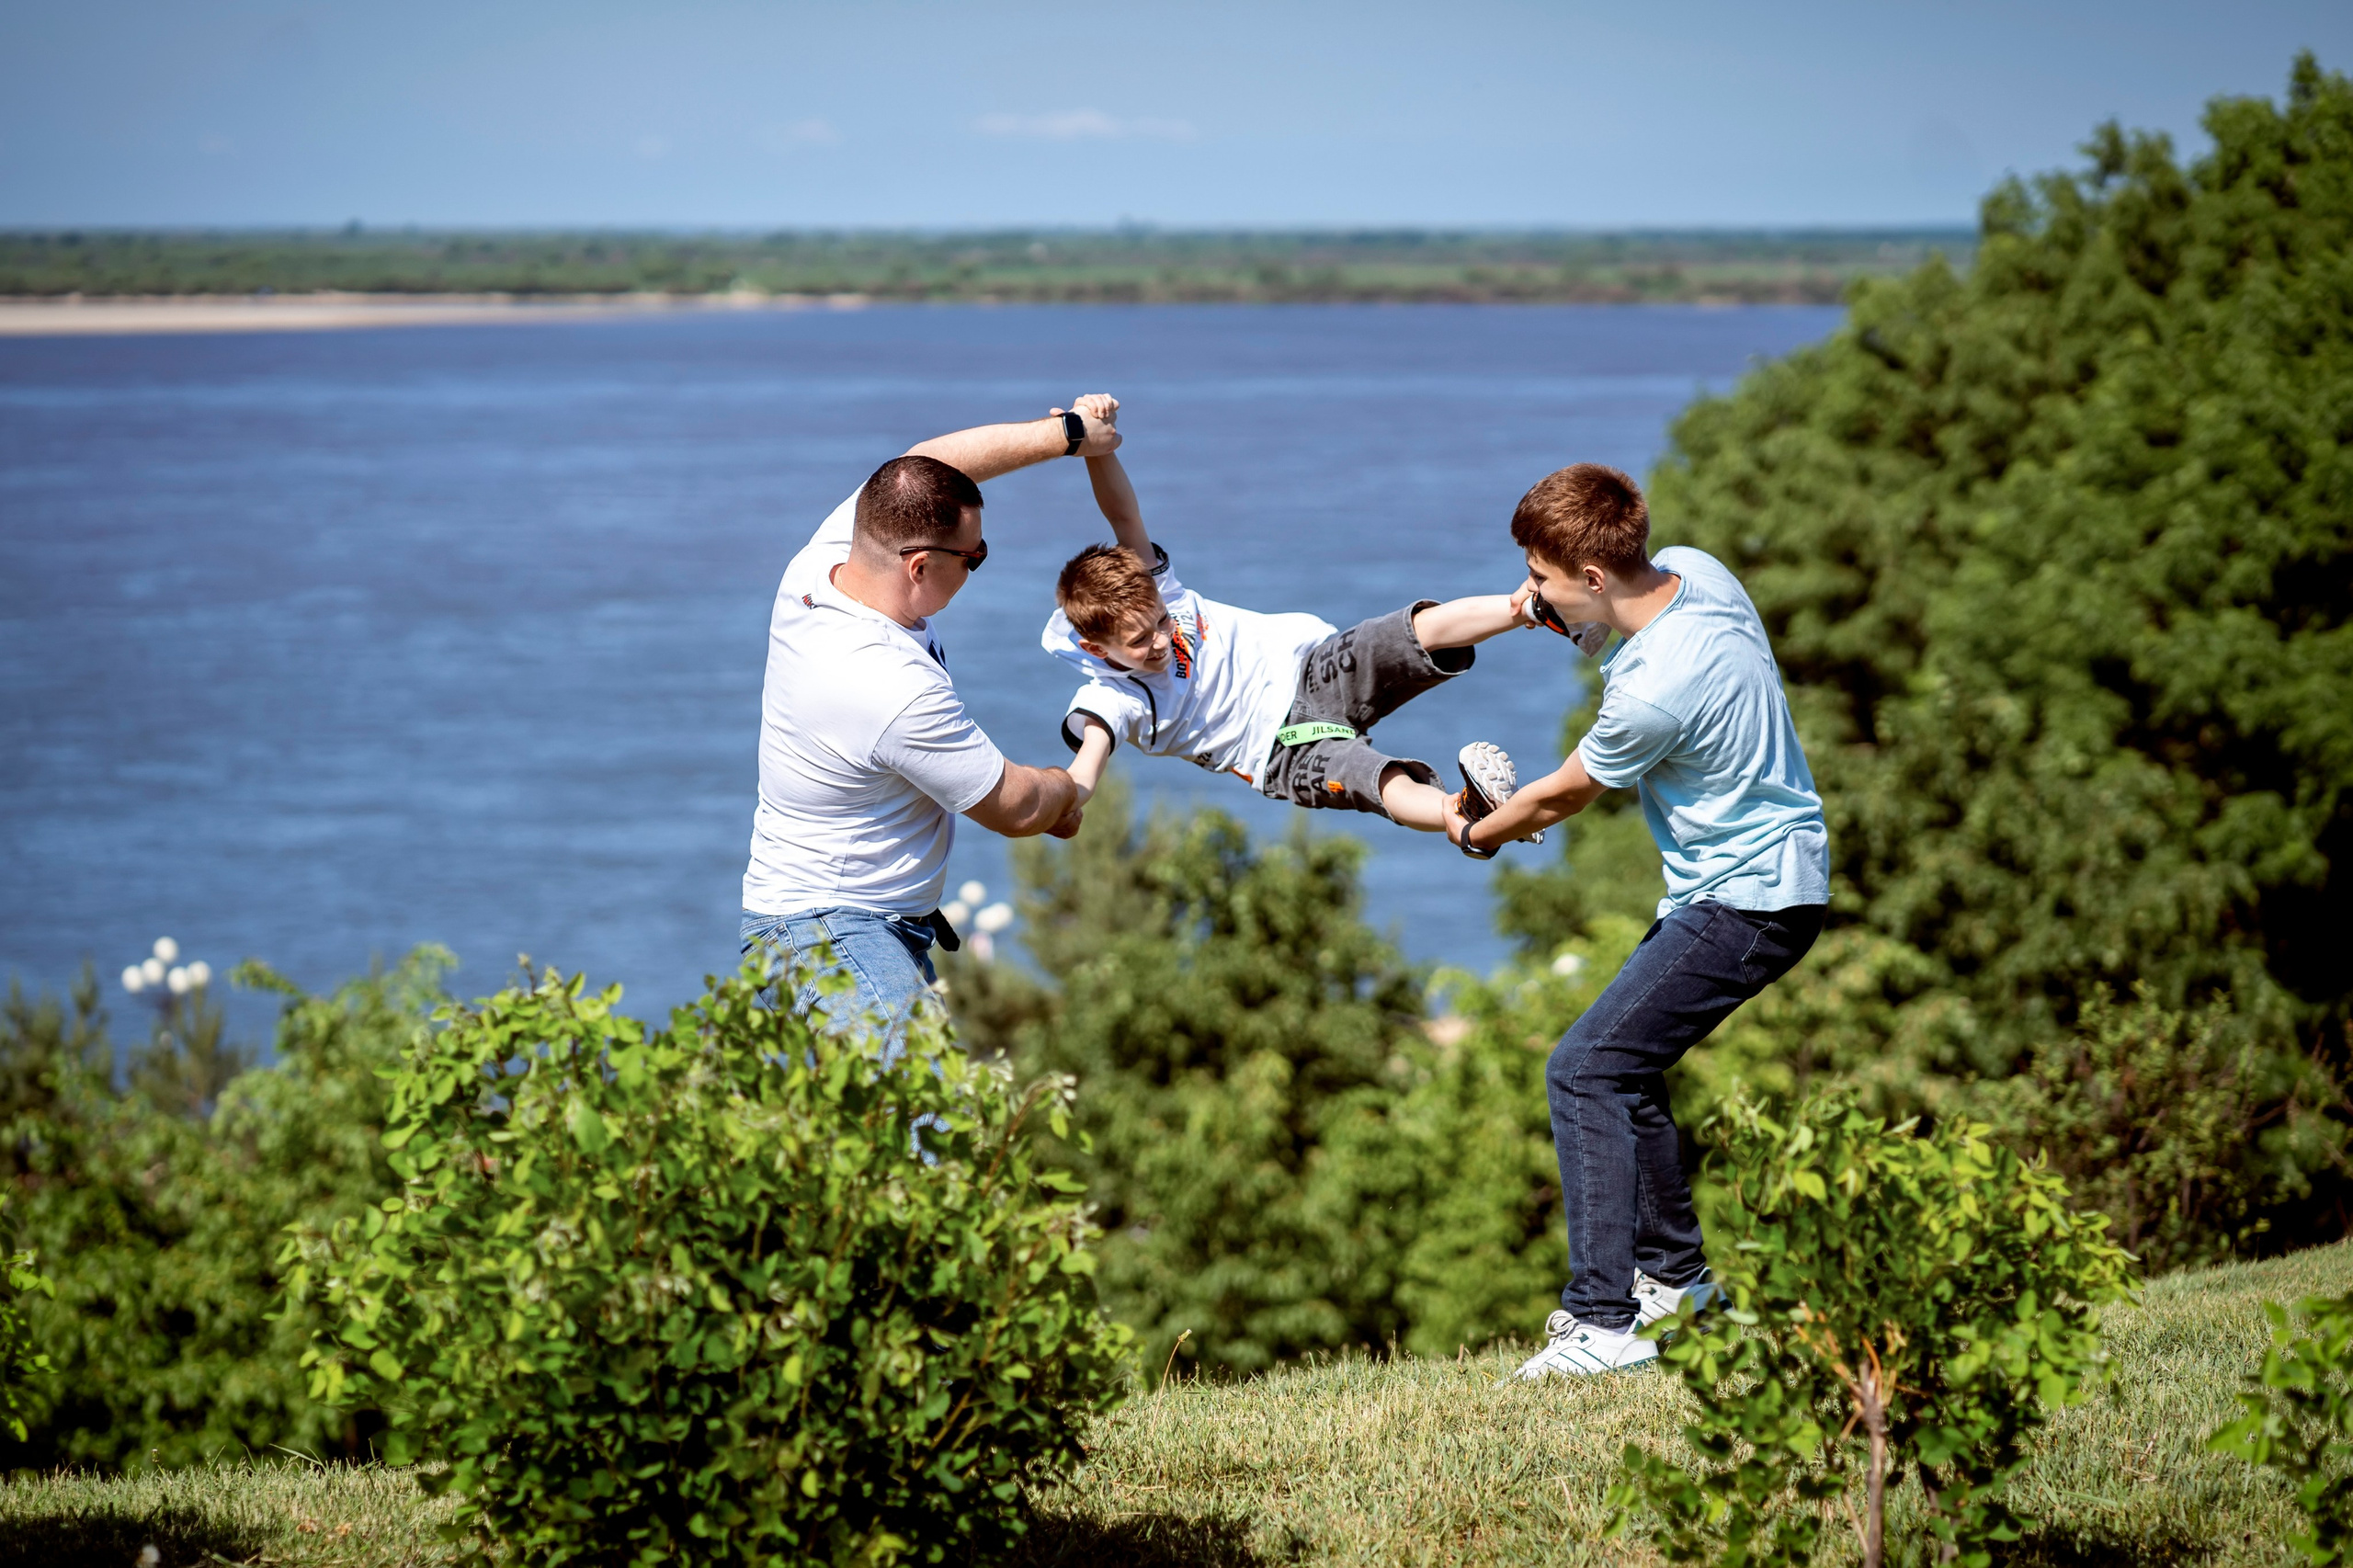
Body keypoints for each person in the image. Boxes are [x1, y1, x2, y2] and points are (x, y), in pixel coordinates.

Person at [1439, 463, 1830, 1380]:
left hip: (1746, 900)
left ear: (1591, 573)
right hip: (1774, 878)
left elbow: (1558, 796)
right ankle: (1683, 1290)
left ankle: (1602, 1320)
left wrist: (1475, 831)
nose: (1529, 592)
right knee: (1625, 1066)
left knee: (1582, 1069)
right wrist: (1557, 612)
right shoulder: (1698, 571)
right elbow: (1618, 625)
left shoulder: (1649, 693)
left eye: (1539, 577)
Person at [740, 398, 1123, 1041]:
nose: (976, 567)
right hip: (832, 934)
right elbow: (1017, 807)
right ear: (919, 566)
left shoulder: (821, 567)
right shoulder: (887, 684)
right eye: (973, 558)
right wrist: (1070, 785)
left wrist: (1070, 434)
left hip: (826, 928)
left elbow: (927, 463)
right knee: (927, 1099)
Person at [1045, 396, 1550, 833]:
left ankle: (1532, 606)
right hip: (1278, 753)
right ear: (1095, 649)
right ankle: (1465, 814)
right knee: (1373, 778)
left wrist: (1096, 446)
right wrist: (1065, 801)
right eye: (1138, 641)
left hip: (1312, 672)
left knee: (1409, 632)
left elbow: (1124, 516)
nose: (1159, 639)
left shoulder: (1159, 592)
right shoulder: (1111, 699)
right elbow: (1087, 764)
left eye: (1160, 622)